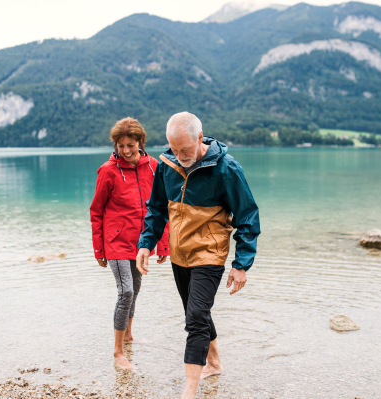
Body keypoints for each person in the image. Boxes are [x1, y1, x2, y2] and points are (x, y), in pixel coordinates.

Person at [136, 112, 260, 398]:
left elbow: (248, 217)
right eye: (174, 149)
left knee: (195, 318)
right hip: (180, 254)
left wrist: (241, 265)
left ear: (200, 138)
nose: (179, 156)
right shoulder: (167, 166)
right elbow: (155, 208)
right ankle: (214, 362)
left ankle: (189, 391)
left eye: (185, 150)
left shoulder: (226, 169)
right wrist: (146, 244)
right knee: (197, 313)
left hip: (209, 253)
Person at [90, 117, 170, 370]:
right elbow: (96, 211)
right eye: (120, 146)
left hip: (142, 243)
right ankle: (117, 353)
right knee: (125, 292)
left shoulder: (154, 167)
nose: (125, 151)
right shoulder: (108, 171)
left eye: (130, 146)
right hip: (114, 242)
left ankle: (128, 336)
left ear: (140, 143)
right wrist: (99, 249)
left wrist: (163, 244)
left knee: (134, 290)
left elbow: (162, 208)